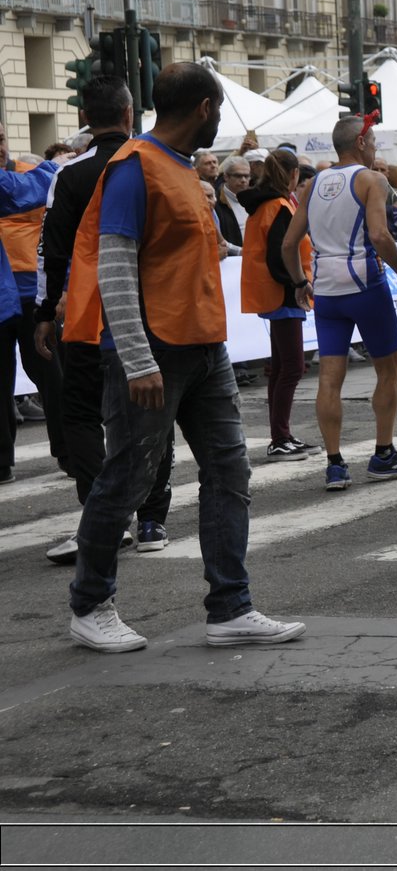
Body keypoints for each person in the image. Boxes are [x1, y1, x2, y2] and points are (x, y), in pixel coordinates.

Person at [60, 62, 303, 652]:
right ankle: (90, 604)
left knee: (229, 472)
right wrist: (138, 359)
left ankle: (230, 607)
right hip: (154, 350)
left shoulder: (180, 170)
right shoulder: (134, 168)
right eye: (216, 110)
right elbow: (113, 265)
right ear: (203, 107)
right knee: (127, 476)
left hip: (201, 346)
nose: (218, 121)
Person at [37, 77, 178, 565]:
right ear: (128, 113)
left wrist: (44, 309)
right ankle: (152, 518)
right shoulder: (150, 163)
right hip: (150, 310)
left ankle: (102, 513)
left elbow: (50, 250)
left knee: (80, 414)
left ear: (84, 119)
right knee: (152, 413)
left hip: (85, 311)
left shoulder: (70, 173)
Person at [280, 112, 397, 491]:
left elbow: (288, 243)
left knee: (330, 378)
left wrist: (299, 281)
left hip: (326, 287)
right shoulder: (370, 179)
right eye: (373, 139)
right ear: (360, 143)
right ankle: (383, 453)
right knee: (389, 370)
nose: (376, 146)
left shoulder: (313, 185)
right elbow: (378, 235)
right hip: (365, 283)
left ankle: (334, 464)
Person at [240, 148, 316, 461]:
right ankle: (280, 437)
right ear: (293, 174)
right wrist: (299, 283)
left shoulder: (266, 205)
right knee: (292, 367)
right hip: (285, 293)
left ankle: (281, 434)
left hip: (276, 291)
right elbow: (281, 253)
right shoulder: (279, 206)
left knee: (282, 367)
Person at [0, 124, 66, 466]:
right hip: (11, 296)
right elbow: (24, 192)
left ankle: (67, 450)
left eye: (1, 139)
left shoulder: (22, 176)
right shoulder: (23, 181)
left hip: (27, 295)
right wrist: (56, 166)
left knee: (50, 373)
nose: (0, 147)